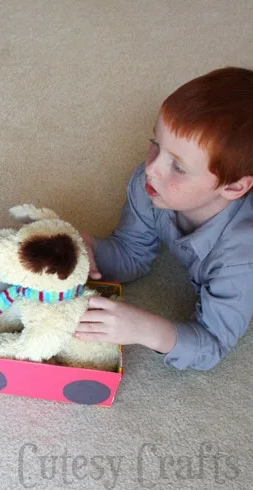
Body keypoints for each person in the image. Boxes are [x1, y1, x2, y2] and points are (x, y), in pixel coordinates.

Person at [77, 67, 253, 371]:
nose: (152, 169)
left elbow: (211, 344)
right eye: (156, 145)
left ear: (234, 187)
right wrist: (87, 251)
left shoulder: (241, 256)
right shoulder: (150, 188)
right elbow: (132, 252)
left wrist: (144, 328)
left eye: (179, 168)